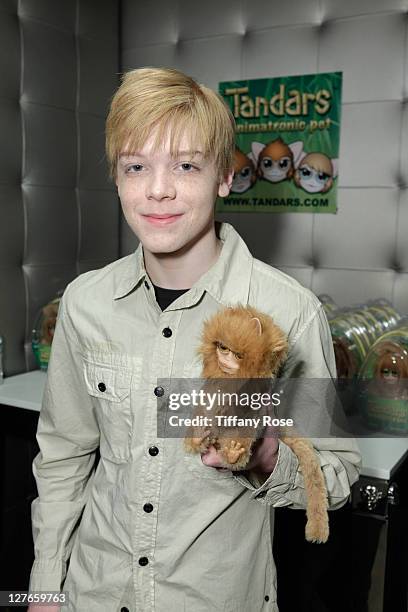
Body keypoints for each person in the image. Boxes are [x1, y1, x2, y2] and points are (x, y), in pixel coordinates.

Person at [28, 67, 361, 612]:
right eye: (137, 167)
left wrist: (265, 456)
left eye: (185, 165)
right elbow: (63, 455)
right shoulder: (85, 302)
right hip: (94, 591)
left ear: (223, 177)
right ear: (116, 177)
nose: (158, 189)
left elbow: (341, 474)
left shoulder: (288, 312)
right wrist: (44, 585)